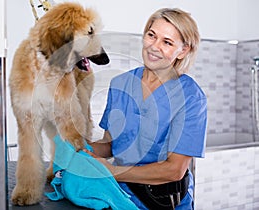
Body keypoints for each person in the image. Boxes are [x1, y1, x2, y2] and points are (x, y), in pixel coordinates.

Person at [85, 8, 207, 210]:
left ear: (183, 50)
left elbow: (174, 170)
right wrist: (82, 149)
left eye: (167, 42)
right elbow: (109, 144)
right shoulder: (120, 84)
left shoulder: (190, 96)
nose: (154, 47)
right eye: (152, 35)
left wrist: (113, 171)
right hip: (120, 198)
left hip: (165, 201)